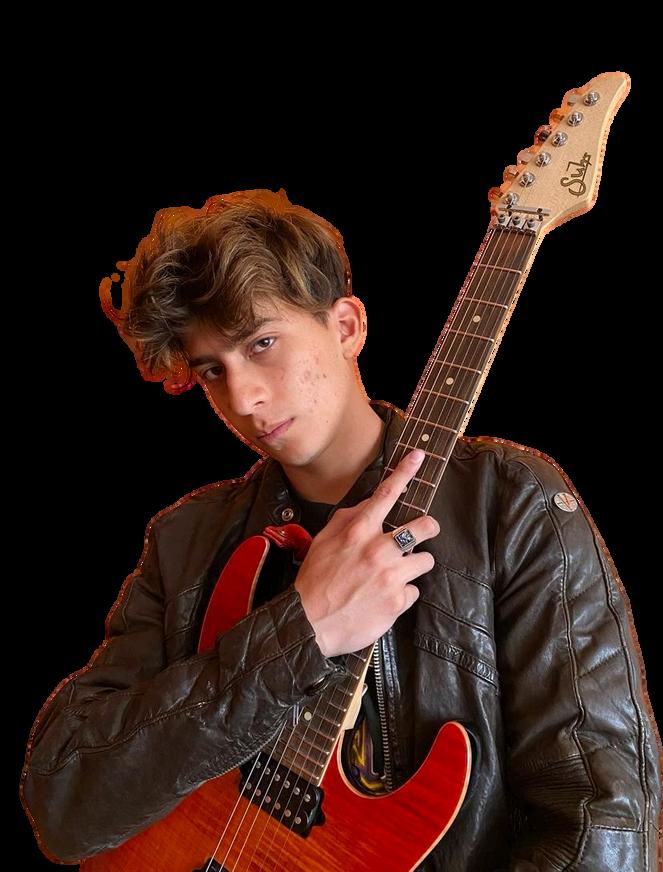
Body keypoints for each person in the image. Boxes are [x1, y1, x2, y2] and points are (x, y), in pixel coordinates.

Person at [20, 188, 661, 870]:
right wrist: (302, 632)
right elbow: (64, 805)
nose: (244, 398)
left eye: (261, 343)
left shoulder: (510, 502)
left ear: (347, 326)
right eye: (213, 370)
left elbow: (601, 821)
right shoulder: (186, 539)